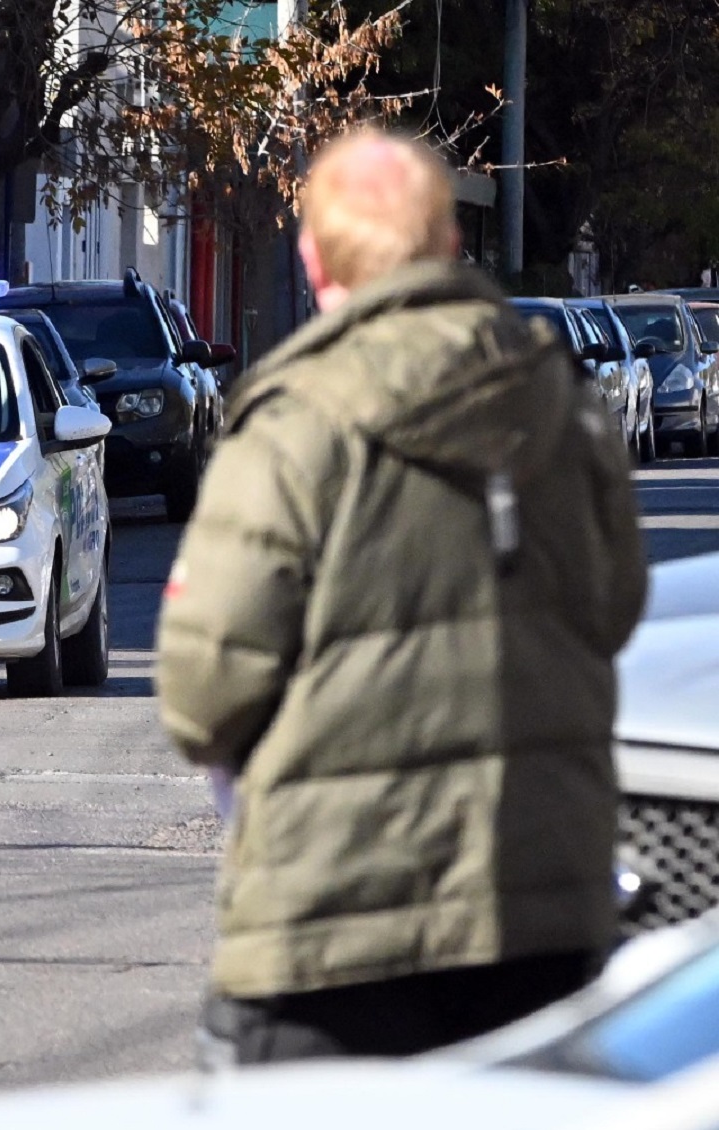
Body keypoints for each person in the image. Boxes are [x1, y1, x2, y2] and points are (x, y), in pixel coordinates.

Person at [155, 127, 647, 1065]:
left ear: (312, 259)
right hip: (539, 904)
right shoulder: (561, 400)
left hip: (329, 925)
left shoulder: (291, 425)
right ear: (449, 244)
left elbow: (202, 691)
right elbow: (613, 607)